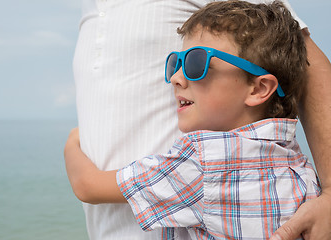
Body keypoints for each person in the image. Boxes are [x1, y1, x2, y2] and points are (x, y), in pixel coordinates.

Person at [72, 0, 331, 239]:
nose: (175, 77)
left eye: (197, 63)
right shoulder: (299, 163)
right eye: (176, 63)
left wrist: (74, 142)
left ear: (258, 88)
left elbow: (87, 186)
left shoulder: (201, 164)